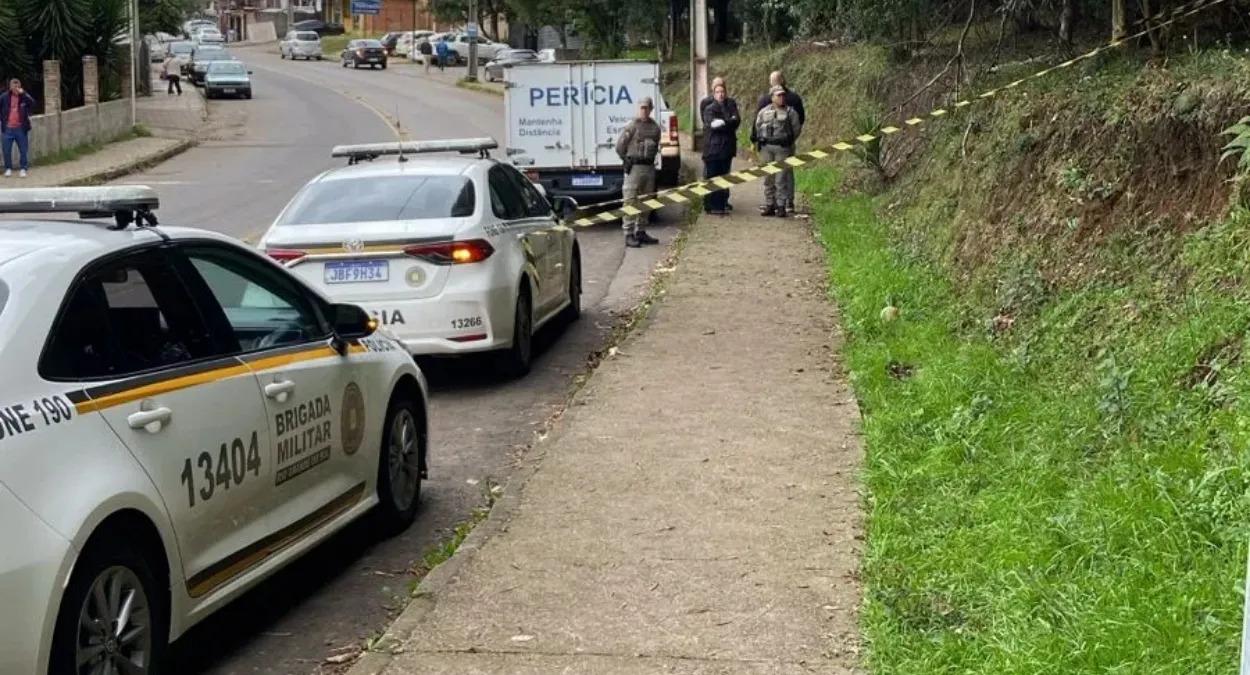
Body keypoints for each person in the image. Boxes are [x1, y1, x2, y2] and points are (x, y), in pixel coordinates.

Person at [615, 97, 663, 248]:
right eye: (642, 108)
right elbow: (619, 146)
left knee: (647, 200)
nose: (644, 110)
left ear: (651, 109)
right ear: (638, 109)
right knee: (630, 200)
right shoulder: (632, 127)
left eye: (647, 108)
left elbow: (656, 146)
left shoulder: (655, 128)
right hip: (634, 168)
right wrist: (626, 159)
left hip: (648, 168)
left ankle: (641, 231)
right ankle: (628, 233)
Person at [756, 71, 806, 212]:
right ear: (772, 97)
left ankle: (781, 204)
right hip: (767, 148)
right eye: (778, 96)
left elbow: (797, 128)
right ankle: (770, 203)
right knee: (768, 177)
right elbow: (758, 125)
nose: (782, 98)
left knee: (782, 177)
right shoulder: (764, 111)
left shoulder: (790, 112)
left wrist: (788, 140)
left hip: (783, 148)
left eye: (783, 95)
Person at [701, 82, 739, 215]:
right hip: (713, 149)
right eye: (718, 92)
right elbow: (714, 125)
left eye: (722, 91)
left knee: (724, 177)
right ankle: (711, 205)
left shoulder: (730, 106)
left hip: (727, 149)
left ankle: (721, 204)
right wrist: (728, 122)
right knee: (712, 177)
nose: (721, 94)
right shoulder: (710, 108)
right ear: (714, 94)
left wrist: (724, 122)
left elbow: (736, 121)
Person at [0, 79, 35, 179]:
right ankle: (8, 169)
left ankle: (23, 168)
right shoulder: (4, 97)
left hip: (21, 128)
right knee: (6, 150)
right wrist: (2, 120)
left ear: (20, 86)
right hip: (7, 129)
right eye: (14, 86)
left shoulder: (24, 97)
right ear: (10, 87)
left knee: (23, 150)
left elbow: (33, 104)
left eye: (17, 86)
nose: (16, 88)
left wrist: (24, 94)